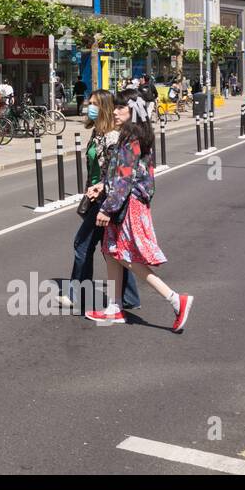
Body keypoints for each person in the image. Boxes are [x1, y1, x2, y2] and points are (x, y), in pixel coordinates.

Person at [86, 90, 194, 332]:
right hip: (127, 201)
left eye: (120, 107)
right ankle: (114, 307)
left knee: (127, 256)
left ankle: (175, 299)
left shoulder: (131, 139)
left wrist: (107, 208)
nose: (114, 111)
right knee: (111, 251)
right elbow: (125, 174)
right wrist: (103, 185)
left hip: (128, 204)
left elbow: (124, 179)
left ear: (133, 110)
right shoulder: (133, 136)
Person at [62, 89, 140, 312]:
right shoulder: (97, 133)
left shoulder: (113, 136)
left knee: (82, 244)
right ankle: (130, 297)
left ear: (105, 107)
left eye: (95, 103)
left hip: (105, 199)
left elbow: (117, 173)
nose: (90, 107)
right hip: (96, 195)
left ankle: (78, 293)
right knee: (110, 249)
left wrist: (103, 193)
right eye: (89, 103)